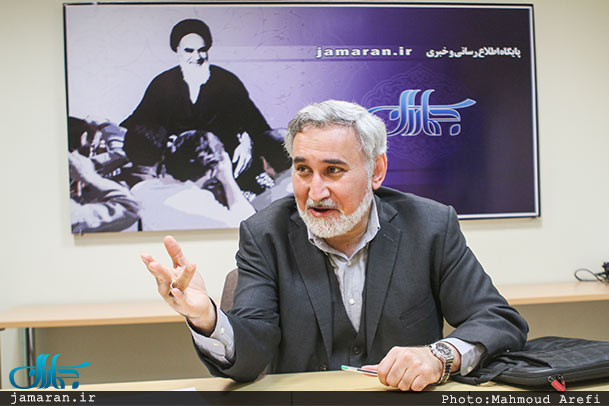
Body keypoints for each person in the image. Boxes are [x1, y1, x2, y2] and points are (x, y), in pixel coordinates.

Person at [141, 100, 528, 391]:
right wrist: (207, 318)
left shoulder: (429, 226)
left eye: (333, 170)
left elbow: (498, 320)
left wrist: (438, 356)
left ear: (376, 171)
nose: (315, 191)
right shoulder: (265, 233)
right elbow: (251, 355)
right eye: (302, 170)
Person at [121, 18, 290, 195]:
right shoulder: (163, 84)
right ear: (177, 50)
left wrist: (248, 141)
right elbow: (139, 123)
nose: (197, 57)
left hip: (227, 173)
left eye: (202, 50)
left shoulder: (227, 82)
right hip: (177, 175)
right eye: (189, 51)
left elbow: (258, 127)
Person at [131, 130, 255, 231]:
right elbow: (250, 227)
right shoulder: (203, 206)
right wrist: (228, 178)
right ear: (212, 171)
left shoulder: (140, 190)